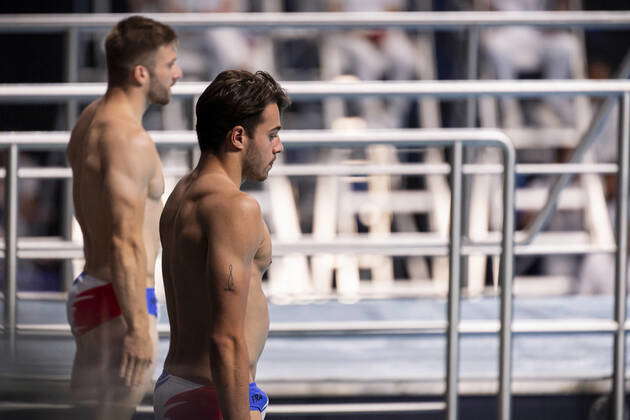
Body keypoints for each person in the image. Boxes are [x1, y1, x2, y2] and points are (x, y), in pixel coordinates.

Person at [154, 69, 289, 419]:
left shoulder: (183, 194)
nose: (279, 146)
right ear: (239, 136)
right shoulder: (235, 208)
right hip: (213, 396)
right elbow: (225, 339)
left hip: (181, 385)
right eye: (272, 134)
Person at [65, 15, 182, 419]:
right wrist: (137, 327)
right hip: (120, 302)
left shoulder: (89, 120)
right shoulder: (128, 141)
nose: (177, 74)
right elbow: (125, 240)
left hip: (95, 291)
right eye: (169, 65)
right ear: (140, 73)